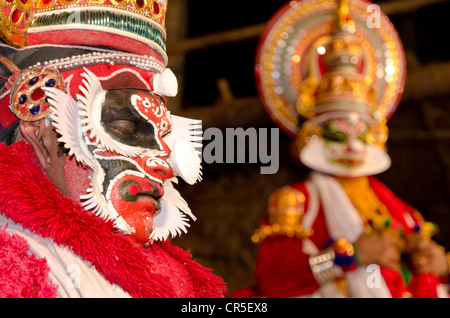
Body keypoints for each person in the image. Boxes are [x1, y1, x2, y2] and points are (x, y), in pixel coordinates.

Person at [0, 0, 225, 297]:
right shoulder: (17, 266)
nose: (163, 165)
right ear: (42, 135)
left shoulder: (171, 274)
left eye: (164, 139)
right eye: (125, 129)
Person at [231, 0, 449, 298]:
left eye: (360, 134)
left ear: (375, 135)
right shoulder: (296, 202)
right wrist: (349, 256)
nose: (350, 145)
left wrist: (441, 268)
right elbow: (274, 282)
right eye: (336, 134)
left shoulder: (404, 214)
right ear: (312, 134)